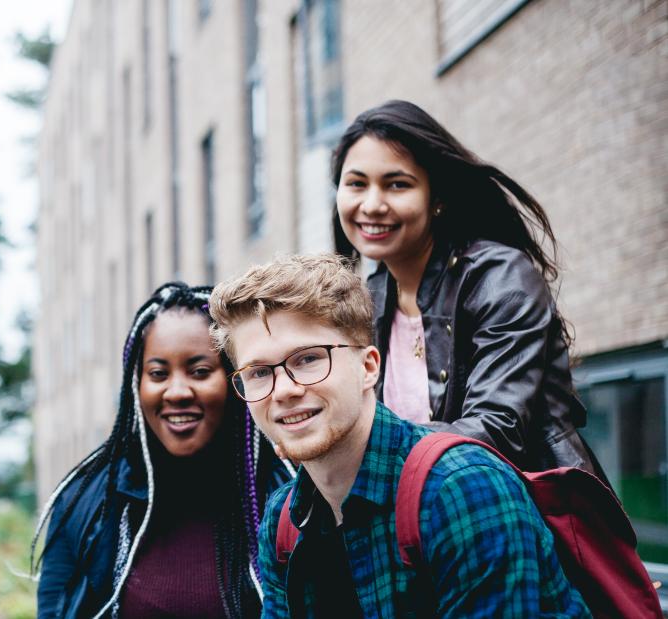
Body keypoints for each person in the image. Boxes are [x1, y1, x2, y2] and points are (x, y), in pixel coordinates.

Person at [208, 253, 590, 618]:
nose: (283, 390)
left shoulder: (461, 487)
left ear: (369, 367)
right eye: (259, 372)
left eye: (308, 359)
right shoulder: (283, 519)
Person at [331, 99, 601, 476]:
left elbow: (495, 430)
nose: (372, 204)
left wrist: (354, 449)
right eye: (356, 183)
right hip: (419, 526)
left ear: (436, 197)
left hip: (520, 518)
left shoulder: (499, 278)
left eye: (397, 184)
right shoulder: (369, 299)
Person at [33, 282, 289, 619]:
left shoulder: (283, 498)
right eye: (158, 373)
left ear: (232, 379)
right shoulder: (86, 504)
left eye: (200, 371)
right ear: (137, 385)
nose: (177, 391)